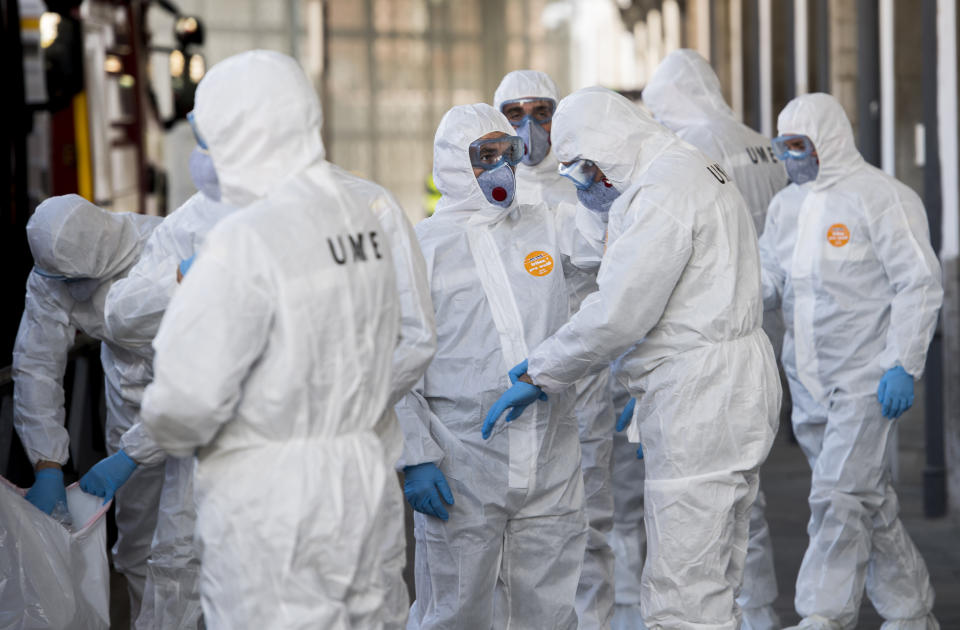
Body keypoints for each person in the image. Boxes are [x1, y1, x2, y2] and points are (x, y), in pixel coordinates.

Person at [487, 87, 780, 630]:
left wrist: (540, 371)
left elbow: (620, 311)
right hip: (726, 380)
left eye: (586, 167)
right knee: (717, 576)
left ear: (607, 146)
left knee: (682, 592)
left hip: (701, 393)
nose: (589, 181)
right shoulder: (686, 167)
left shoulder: (659, 191)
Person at [137, 50, 403, 629]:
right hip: (360, 474)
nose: (205, 155)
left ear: (243, 132)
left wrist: (157, 425)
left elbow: (186, 402)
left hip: (274, 503)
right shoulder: (362, 220)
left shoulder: (246, 240)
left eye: (211, 136)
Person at [398, 103, 588, 629]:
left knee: (549, 611)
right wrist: (415, 456)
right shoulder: (422, 248)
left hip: (549, 458)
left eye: (509, 153)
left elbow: (611, 263)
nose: (501, 167)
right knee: (455, 611)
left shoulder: (546, 225)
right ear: (455, 164)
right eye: (486, 156)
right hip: (463, 464)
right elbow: (396, 361)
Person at [760, 92, 942, 630]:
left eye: (800, 145)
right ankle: (910, 610)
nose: (790, 157)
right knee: (865, 498)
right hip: (809, 380)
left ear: (827, 141)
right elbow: (770, 280)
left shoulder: (882, 197)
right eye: (783, 146)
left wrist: (902, 363)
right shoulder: (784, 208)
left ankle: (823, 614)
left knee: (836, 498)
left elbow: (919, 283)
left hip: (867, 377)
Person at [643, 48, 788, 630]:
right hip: (759, 320)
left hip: (710, 325)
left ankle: (737, 614)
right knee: (747, 489)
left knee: (716, 501)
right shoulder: (759, 139)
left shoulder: (696, 145)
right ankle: (759, 613)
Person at [81, 150, 236, 630]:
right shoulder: (181, 236)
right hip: (167, 420)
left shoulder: (225, 251)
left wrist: (131, 452)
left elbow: (199, 385)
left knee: (202, 561)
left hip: (230, 438)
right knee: (168, 559)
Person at [494, 69, 614, 630]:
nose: (530, 126)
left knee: (587, 524)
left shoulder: (584, 187)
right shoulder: (488, 196)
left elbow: (622, 289)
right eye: (514, 115)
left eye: (541, 112)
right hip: (510, 382)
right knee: (509, 530)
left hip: (581, 381)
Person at [11, 194, 162, 617]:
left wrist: (138, 450)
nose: (67, 288)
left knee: (201, 539)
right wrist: (47, 464)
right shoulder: (54, 272)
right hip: (128, 400)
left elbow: (200, 372)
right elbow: (37, 363)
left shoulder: (163, 249)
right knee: (137, 546)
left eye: (73, 277)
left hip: (197, 407)